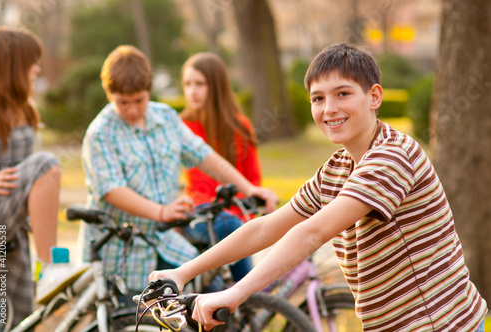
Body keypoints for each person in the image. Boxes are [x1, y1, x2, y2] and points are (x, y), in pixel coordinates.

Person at [150, 43, 488, 332]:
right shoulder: (338, 167)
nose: (329, 109)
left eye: (343, 94)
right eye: (317, 98)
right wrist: (182, 272)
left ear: (374, 97)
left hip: (441, 323)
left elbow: (312, 233)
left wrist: (234, 294)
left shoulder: (392, 157)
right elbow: (266, 227)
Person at [80, 45, 277, 295]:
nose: (131, 109)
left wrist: (248, 188)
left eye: (138, 101)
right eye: (123, 103)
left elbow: (205, 156)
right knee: (136, 320)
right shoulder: (100, 133)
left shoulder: (166, 118)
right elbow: (111, 190)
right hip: (121, 252)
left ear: (149, 91)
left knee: (212, 297)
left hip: (164, 241)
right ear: (109, 95)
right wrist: (162, 212)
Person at [0, 26, 60, 326]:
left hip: (9, 230)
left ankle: (48, 272)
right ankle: (53, 267)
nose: (37, 68)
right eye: (32, 61)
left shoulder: (26, 110)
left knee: (20, 320)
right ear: (14, 66)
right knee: (46, 163)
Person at [179, 52, 261, 281]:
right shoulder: (183, 126)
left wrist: (244, 211)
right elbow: (193, 184)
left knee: (235, 228)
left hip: (235, 217)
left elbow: (252, 179)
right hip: (198, 217)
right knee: (230, 227)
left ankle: (248, 302)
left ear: (216, 86)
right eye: (187, 84)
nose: (192, 91)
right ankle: (247, 298)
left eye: (200, 84)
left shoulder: (240, 127)